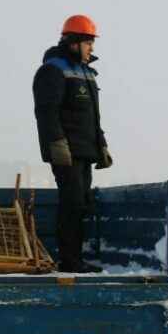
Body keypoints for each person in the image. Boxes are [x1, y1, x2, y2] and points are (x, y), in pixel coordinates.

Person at [33, 14, 113, 273]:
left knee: (81, 204)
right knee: (72, 204)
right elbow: (47, 112)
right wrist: (57, 145)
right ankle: (69, 261)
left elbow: (93, 116)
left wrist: (101, 144)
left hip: (84, 151)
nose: (92, 48)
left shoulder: (86, 73)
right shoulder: (52, 70)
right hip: (66, 152)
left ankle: (75, 258)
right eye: (88, 43)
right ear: (73, 42)